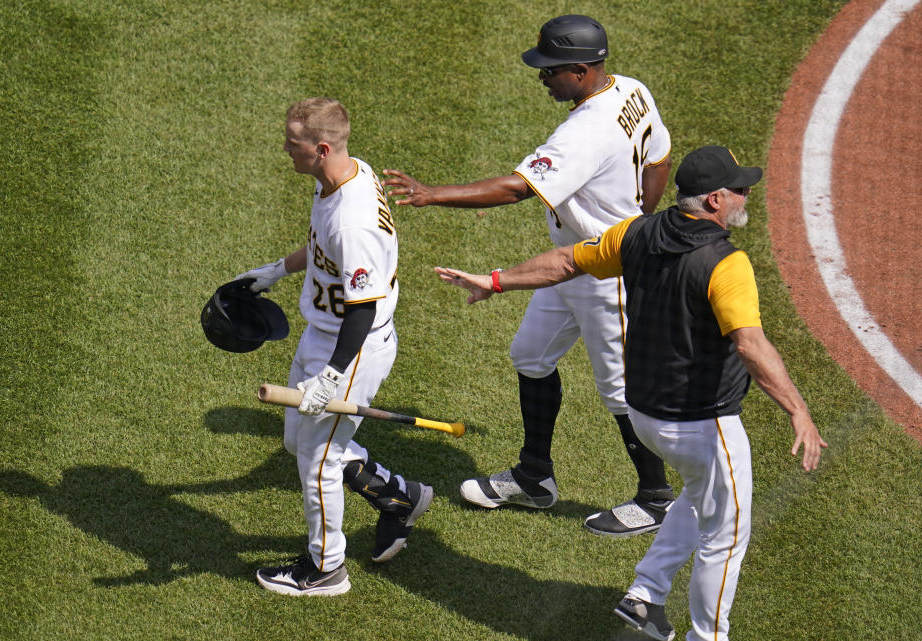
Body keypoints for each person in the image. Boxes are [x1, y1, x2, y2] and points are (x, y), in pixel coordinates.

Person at [435, 145, 827, 640]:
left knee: (697, 491)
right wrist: (798, 410)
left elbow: (564, 262)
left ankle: (645, 594)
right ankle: (708, 636)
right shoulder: (727, 263)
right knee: (725, 536)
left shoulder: (637, 233)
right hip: (703, 424)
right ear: (712, 202)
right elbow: (749, 344)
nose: (747, 196)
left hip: (645, 414)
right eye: (739, 190)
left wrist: (496, 281)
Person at [382, 14, 675, 536]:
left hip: (608, 275)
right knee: (531, 356)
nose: (542, 76)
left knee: (620, 390)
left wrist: (431, 195)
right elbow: (660, 157)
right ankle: (535, 477)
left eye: (551, 70)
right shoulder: (631, 89)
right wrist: (641, 218)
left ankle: (656, 497)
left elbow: (518, 188)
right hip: (571, 263)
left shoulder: (585, 131)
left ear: (582, 70)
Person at [236, 97, 433, 596]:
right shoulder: (343, 175)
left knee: (319, 462)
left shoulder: (354, 218)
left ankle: (325, 569)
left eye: (293, 144)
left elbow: (362, 308)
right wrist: (277, 270)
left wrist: (331, 376)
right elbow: (324, 247)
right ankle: (397, 495)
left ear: (321, 148)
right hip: (322, 333)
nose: (285, 149)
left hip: (353, 345)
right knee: (296, 442)